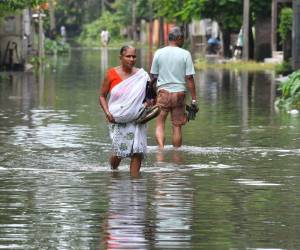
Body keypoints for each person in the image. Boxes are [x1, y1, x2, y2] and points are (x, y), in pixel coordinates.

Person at [99, 45, 152, 175]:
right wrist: (107, 112)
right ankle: (114, 173)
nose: (132, 59)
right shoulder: (111, 74)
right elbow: (102, 96)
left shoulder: (142, 76)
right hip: (117, 119)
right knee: (119, 151)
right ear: (121, 57)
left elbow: (150, 97)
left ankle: (135, 183)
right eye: (128, 56)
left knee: (137, 151)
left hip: (138, 118)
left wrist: (148, 104)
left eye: (134, 56)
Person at [150, 26, 197, 149]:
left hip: (163, 93)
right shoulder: (185, 54)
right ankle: (177, 155)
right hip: (179, 94)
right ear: (179, 38)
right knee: (177, 126)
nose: (183, 41)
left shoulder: (158, 53)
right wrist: (194, 100)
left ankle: (160, 149)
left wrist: (151, 95)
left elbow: (153, 76)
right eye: (183, 39)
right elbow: (189, 78)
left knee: (160, 124)